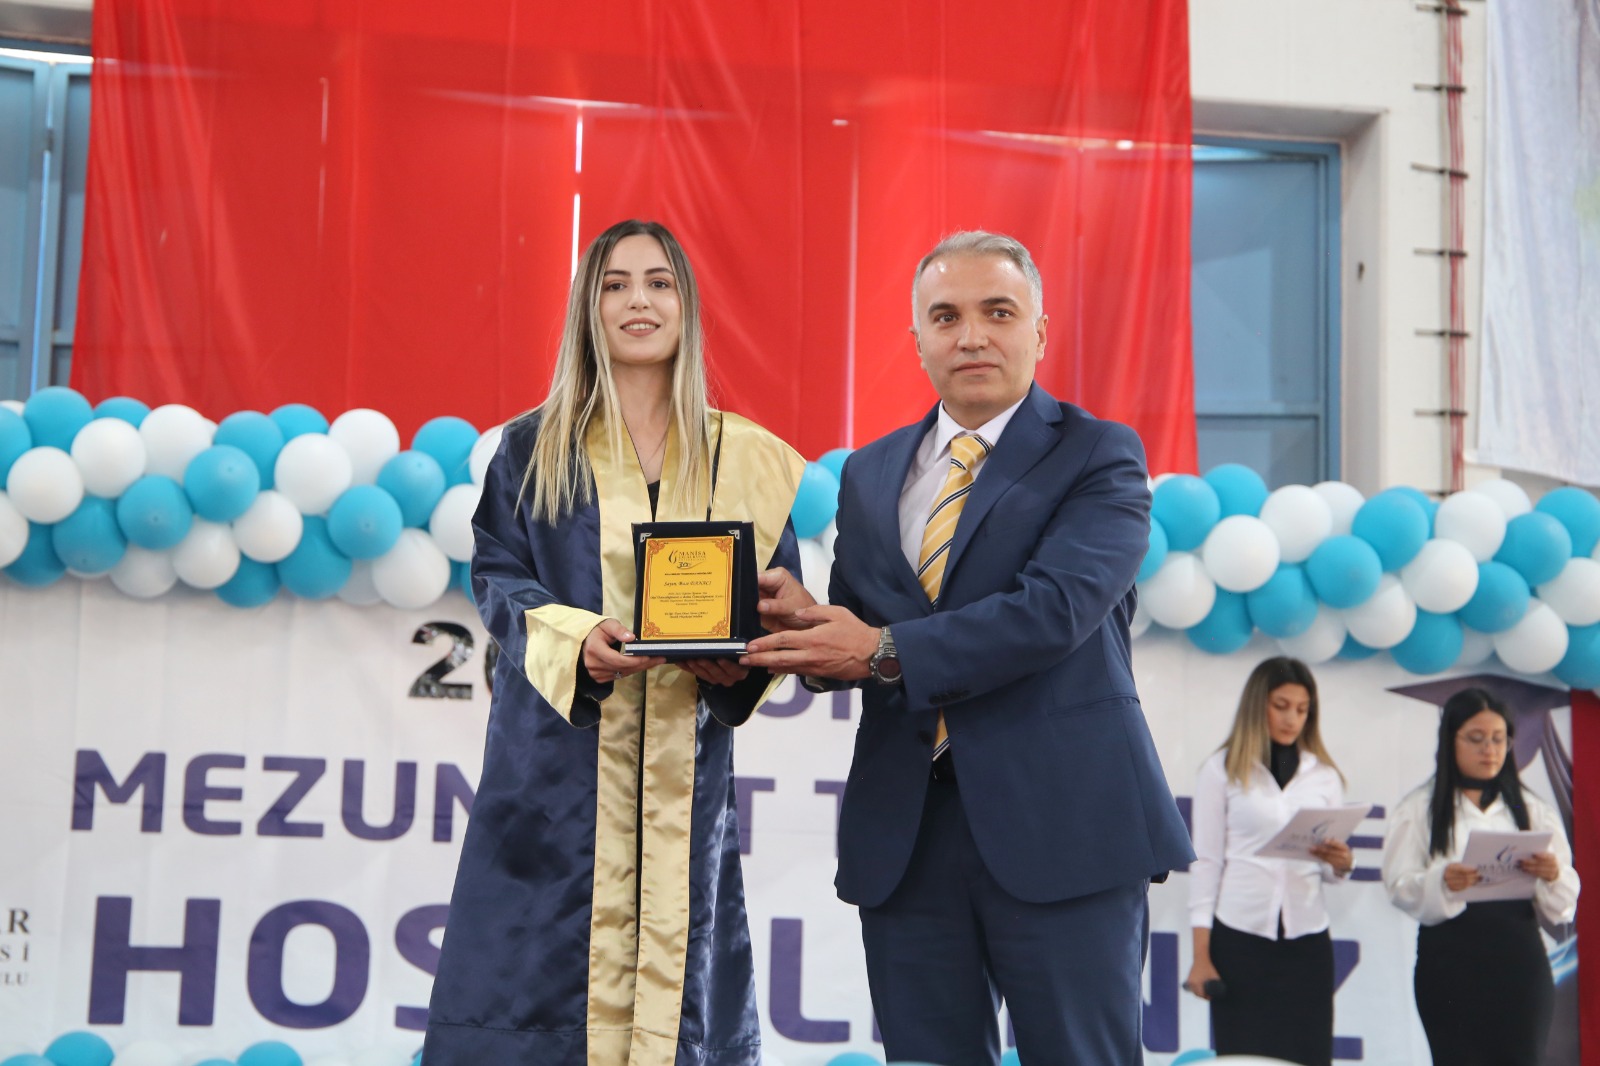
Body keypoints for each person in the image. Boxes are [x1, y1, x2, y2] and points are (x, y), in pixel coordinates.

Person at [742, 230, 1193, 1065]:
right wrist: (803, 622)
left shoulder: (1099, 454)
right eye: (946, 317)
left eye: (999, 312)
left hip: (1065, 829)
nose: (973, 335)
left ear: (1040, 332)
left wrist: (880, 649)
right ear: (917, 340)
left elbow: (1053, 611)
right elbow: (860, 632)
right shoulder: (870, 472)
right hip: (908, 837)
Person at [422, 219, 804, 1066]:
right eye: (616, 283)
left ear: (687, 305)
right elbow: (498, 578)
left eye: (660, 283)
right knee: (531, 995)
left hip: (681, 784)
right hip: (553, 779)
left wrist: (741, 660)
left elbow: (775, 602)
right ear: (587, 308)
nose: (640, 301)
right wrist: (578, 638)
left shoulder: (749, 459)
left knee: (682, 990)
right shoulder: (533, 448)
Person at [1382, 687, 1579, 1066]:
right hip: (1449, 962)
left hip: (1519, 961)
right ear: (1450, 740)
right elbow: (1398, 885)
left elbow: (1564, 903)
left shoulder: (1531, 809)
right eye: (1476, 739)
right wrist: (1441, 881)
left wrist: (1552, 875)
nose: (1489, 750)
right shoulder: (1420, 808)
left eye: (1498, 739)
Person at [1184, 656, 1353, 1066]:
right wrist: (1201, 956)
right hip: (1240, 938)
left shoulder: (1324, 776)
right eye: (1281, 706)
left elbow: (1331, 874)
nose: (1292, 718)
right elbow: (1206, 863)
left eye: (1302, 709)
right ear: (1257, 704)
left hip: (1307, 941)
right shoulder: (1221, 770)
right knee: (1244, 1058)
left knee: (1309, 1056)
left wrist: (1340, 863)